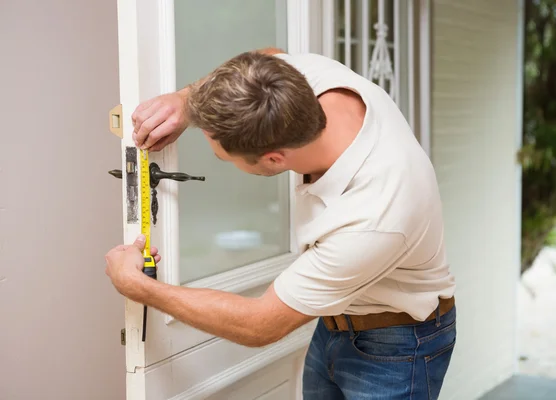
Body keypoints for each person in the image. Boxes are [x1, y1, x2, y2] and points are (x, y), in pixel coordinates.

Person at [104, 47, 457, 399]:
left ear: (273, 159)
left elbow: (260, 323)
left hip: (397, 346)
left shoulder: (375, 214)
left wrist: (139, 287)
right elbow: (269, 56)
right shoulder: (307, 81)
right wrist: (187, 100)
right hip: (334, 320)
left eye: (222, 157)